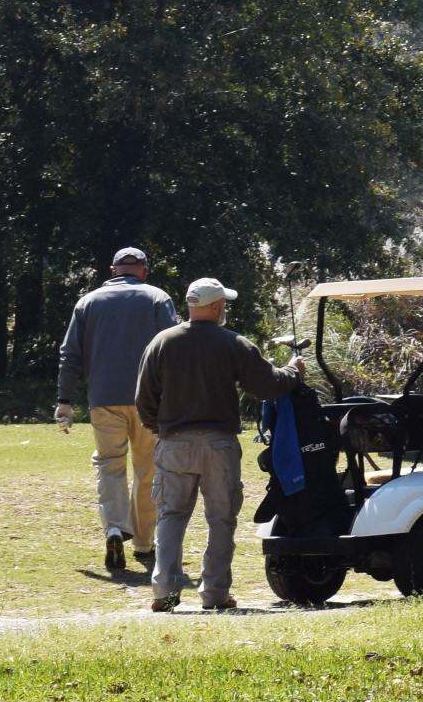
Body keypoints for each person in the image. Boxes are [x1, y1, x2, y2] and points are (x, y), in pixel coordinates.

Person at [134, 276, 297, 613]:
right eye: (223, 304)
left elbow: (144, 398)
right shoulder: (234, 343)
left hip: (174, 442)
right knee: (221, 518)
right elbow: (268, 385)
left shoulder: (162, 342)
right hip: (220, 443)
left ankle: (164, 591)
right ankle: (215, 593)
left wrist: (161, 428)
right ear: (216, 306)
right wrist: (294, 370)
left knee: (171, 515)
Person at [55, 247, 179, 578]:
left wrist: (64, 399)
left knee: (109, 466)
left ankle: (113, 528)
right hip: (149, 400)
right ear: (144, 270)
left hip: (103, 399)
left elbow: (70, 355)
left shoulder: (88, 302)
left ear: (113, 270)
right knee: (147, 470)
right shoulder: (157, 297)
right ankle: (142, 542)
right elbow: (174, 346)